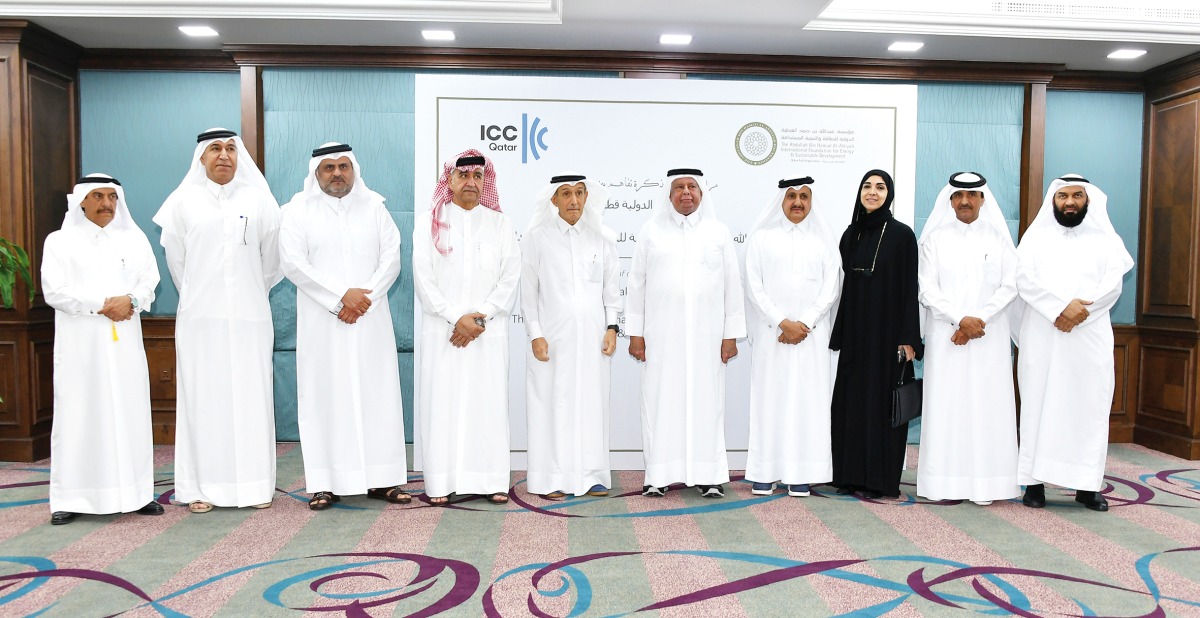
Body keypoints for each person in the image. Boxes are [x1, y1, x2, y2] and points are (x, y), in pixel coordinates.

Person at [153, 128, 282, 514]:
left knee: (250, 398)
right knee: (202, 398)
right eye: (215, 149)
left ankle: (255, 487)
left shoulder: (259, 201)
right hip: (200, 318)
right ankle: (199, 489)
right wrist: (203, 296)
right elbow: (178, 264)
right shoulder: (182, 202)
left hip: (250, 316)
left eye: (230, 148)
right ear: (201, 158)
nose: (224, 155)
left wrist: (246, 293)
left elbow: (271, 264)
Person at [279, 143, 410, 511]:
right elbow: (292, 263)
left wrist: (362, 299)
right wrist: (340, 298)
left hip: (369, 318)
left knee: (377, 394)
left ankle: (383, 479)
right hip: (324, 321)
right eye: (328, 168)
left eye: (343, 166)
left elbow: (392, 258)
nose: (337, 173)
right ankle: (324, 482)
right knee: (325, 396)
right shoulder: (296, 211)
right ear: (315, 173)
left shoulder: (376, 208)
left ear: (354, 169)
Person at [42, 174, 163, 525]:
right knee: (79, 414)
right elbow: (55, 292)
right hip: (81, 343)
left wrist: (131, 300)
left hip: (124, 339)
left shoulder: (134, 238)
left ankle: (138, 494)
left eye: (112, 196)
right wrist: (102, 304)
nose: (106, 203)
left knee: (130, 412)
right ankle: (70, 497)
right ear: (81, 201)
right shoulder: (59, 241)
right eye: (97, 196)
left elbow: (149, 282)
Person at [1016, 174, 1133, 512]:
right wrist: (1059, 309)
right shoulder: (1035, 238)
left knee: (1088, 408)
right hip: (1043, 333)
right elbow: (1023, 278)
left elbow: (1114, 285)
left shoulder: (1107, 240)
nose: (1070, 202)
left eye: (1077, 196)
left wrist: (1080, 311)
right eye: (1063, 196)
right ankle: (1034, 484)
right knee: (1038, 404)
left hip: (1089, 335)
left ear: (1088, 200)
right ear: (1053, 200)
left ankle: (1086, 485)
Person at [626, 168, 746, 499]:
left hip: (707, 337)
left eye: (692, 186)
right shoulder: (651, 231)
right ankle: (659, 475)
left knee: (708, 404)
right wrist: (635, 333)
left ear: (702, 192)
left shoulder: (718, 232)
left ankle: (709, 475)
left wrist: (731, 334)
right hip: (661, 336)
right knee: (660, 401)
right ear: (669, 194)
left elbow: (732, 286)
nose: (686, 192)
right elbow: (636, 284)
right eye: (679, 187)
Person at [413, 149, 520, 506]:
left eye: (478, 177)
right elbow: (424, 279)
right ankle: (441, 483)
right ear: (450, 181)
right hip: (443, 332)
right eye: (463, 176)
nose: (471, 183)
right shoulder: (430, 220)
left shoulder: (500, 224)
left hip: (487, 333)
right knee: (442, 404)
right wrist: (453, 317)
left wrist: (479, 317)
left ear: (485, 182)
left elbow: (510, 277)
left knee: (487, 405)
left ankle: (490, 480)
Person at [916, 172, 1020, 505]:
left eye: (972, 195)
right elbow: (926, 288)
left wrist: (979, 320)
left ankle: (988, 486)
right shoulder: (933, 240)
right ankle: (943, 484)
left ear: (982, 200)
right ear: (950, 201)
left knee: (987, 408)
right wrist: (960, 319)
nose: (965, 201)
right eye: (959, 195)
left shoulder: (999, 239)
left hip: (988, 337)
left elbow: (1010, 285)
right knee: (947, 407)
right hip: (948, 337)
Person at [520, 173, 621, 500]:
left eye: (579, 193)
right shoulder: (537, 238)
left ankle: (592, 476)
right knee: (553, 405)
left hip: (593, 342)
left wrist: (612, 327)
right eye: (566, 194)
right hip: (552, 342)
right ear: (554, 200)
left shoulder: (602, 238)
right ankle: (551, 479)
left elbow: (611, 290)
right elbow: (528, 294)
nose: (574, 200)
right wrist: (535, 334)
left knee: (592, 405)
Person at [743, 177, 841, 498]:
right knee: (769, 400)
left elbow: (831, 287)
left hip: (810, 337)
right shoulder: (761, 239)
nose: (797, 202)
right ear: (780, 201)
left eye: (803, 196)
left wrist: (805, 323)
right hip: (773, 336)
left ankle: (802, 473)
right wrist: (782, 322)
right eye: (791, 196)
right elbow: (754, 287)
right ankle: (765, 471)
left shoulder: (824, 241)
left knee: (807, 403)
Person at [829, 169, 921, 499]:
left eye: (880, 187)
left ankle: (881, 480)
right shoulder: (849, 234)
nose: (872, 192)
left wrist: (909, 338)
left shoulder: (902, 235)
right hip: (856, 333)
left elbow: (911, 288)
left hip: (888, 335)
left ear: (889, 194)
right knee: (851, 404)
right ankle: (849, 475)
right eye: (867, 186)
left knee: (884, 407)